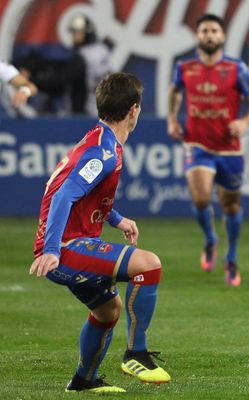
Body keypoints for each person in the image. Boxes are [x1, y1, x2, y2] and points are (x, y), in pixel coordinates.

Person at [29, 72, 170, 393]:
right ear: (134, 109)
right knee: (149, 265)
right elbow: (64, 194)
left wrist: (117, 219)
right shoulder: (103, 152)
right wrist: (51, 249)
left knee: (108, 310)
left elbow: (83, 195)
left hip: (72, 243)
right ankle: (136, 354)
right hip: (66, 248)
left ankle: (84, 380)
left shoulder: (99, 140)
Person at [167, 13, 249, 286]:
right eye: (204, 31)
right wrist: (172, 118)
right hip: (197, 144)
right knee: (200, 198)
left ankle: (230, 256)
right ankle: (210, 239)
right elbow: (175, 92)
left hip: (229, 148)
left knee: (230, 206)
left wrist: (244, 122)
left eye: (213, 31)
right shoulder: (185, 67)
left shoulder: (236, 69)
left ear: (222, 36)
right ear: (198, 36)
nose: (209, 35)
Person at [68, 14, 113, 116]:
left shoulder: (84, 54)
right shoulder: (102, 49)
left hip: (89, 106)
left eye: (77, 32)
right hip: (104, 106)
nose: (73, 36)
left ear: (87, 33)